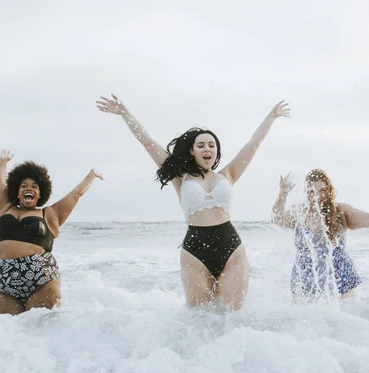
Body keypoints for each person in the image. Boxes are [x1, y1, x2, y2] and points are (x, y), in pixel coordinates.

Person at [96, 94, 290, 310]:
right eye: (201, 145)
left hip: (231, 248)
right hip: (195, 251)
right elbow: (147, 142)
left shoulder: (228, 174)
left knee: (233, 317)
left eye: (211, 145)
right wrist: (125, 113)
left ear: (216, 151)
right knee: (199, 319)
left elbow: (252, 145)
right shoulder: (181, 178)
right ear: (192, 150)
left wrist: (271, 117)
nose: (207, 149)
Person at [0, 149, 103, 314]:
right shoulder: (4, 207)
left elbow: (76, 195)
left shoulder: (50, 214)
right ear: (17, 191)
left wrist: (91, 177)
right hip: (5, 279)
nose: (29, 189)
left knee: (44, 330)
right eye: (24, 186)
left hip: (41, 279)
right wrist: (3, 162)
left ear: (40, 192)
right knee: (2, 332)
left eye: (34, 187)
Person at [272, 168, 369, 300]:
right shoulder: (300, 212)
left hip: (339, 273)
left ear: (329, 190)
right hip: (305, 274)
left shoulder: (340, 211)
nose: (318, 196)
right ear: (307, 193)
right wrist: (283, 193)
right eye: (312, 191)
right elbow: (277, 218)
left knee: (342, 317)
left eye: (322, 190)